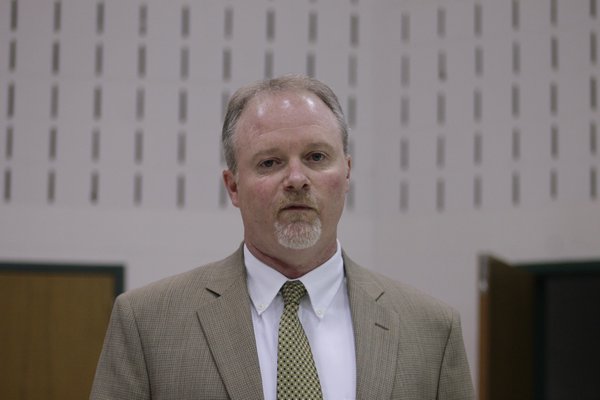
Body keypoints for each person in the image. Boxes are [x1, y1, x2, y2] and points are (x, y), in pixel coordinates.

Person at [90, 74, 474, 400]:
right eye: (270, 162)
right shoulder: (148, 323)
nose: (296, 179)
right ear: (233, 186)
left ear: (347, 173)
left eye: (317, 157)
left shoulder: (432, 331)